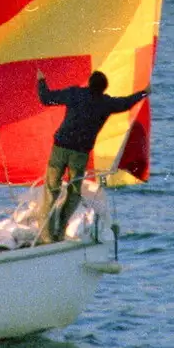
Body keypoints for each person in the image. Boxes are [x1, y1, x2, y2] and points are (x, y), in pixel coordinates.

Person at [35, 71, 148, 244]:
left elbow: (46, 98)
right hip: (80, 154)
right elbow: (126, 103)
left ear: (88, 83)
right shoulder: (106, 103)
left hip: (60, 148)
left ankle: (46, 236)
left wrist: (41, 80)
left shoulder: (75, 93)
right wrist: (144, 92)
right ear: (104, 88)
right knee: (74, 192)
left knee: (51, 189)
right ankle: (60, 230)